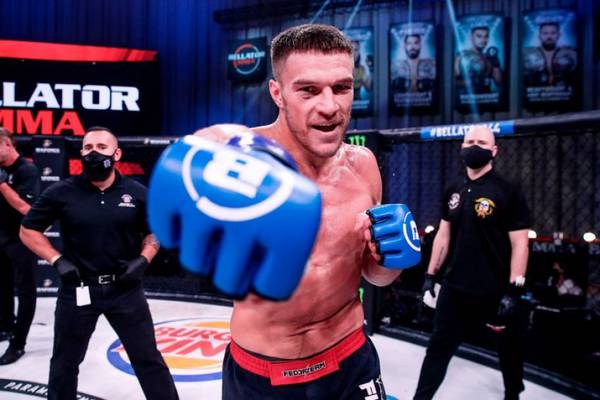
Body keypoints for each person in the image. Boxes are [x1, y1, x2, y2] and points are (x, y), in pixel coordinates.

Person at [148, 24, 421, 399]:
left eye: (342, 88)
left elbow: (374, 276)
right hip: (264, 375)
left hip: (350, 358)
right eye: (308, 90)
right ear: (277, 93)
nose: (330, 107)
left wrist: (392, 260)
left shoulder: (363, 165)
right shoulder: (238, 162)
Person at [19, 127, 178, 400]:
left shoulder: (136, 192)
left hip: (125, 290)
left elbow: (155, 231)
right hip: (78, 289)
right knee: (64, 363)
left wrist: (143, 259)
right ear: (81, 152)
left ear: (117, 154)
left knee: (148, 359)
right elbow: (27, 229)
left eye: (102, 148)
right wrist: (57, 260)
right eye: (88, 147)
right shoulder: (61, 192)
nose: (94, 153)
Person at [413, 126, 531, 400]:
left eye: (482, 142)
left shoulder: (507, 190)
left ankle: (513, 394)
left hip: (494, 288)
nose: (474, 146)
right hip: (454, 286)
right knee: (437, 348)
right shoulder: (454, 188)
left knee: (508, 349)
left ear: (494, 150)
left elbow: (520, 244)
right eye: (470, 141)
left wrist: (514, 290)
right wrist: (430, 276)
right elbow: (443, 235)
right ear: (462, 146)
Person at [0, 127, 39, 364]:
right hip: (1, 236)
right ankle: (5, 326)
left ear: (7, 143)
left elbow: (26, 208)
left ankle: (18, 343)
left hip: (22, 239)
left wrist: (2, 185)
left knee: (25, 290)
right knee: (2, 286)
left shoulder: (27, 170)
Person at [523, 22, 577, 87]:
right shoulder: (526, 53)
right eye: (545, 33)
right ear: (539, 36)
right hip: (534, 92)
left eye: (553, 33)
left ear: (558, 35)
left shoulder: (570, 53)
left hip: (563, 92)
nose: (549, 37)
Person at [455, 26, 503, 94]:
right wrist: (469, 83)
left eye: (486, 36)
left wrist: (496, 62)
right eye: (479, 36)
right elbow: (451, 82)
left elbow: (499, 82)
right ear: (471, 38)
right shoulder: (461, 56)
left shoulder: (489, 57)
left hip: (488, 98)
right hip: (466, 98)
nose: (483, 40)